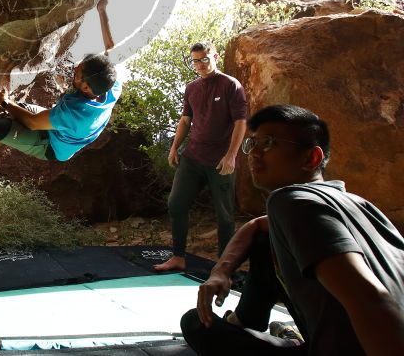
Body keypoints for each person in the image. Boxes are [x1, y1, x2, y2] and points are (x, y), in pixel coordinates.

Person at [181, 104, 404, 355]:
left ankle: (280, 337)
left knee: (196, 324)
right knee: (265, 242)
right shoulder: (361, 205)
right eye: (252, 144)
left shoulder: (291, 201)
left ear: (312, 158)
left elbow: (370, 298)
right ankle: (250, 322)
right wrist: (220, 272)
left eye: (268, 143)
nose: (254, 153)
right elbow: (256, 226)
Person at [154, 42, 247, 271]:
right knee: (176, 204)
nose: (201, 64)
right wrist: (174, 147)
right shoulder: (192, 88)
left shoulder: (231, 86)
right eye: (196, 60)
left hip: (220, 160)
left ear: (214, 57)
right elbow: (186, 120)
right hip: (193, 156)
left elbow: (240, 123)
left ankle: (224, 266)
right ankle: (178, 257)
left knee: (224, 216)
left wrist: (231, 155)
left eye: (205, 59)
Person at [0, 53, 120, 166]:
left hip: (51, 146)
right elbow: (108, 50)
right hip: (60, 128)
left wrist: (4, 101)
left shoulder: (76, 114)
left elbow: (32, 123)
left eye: (77, 74)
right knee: (17, 112)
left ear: (87, 88)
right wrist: (102, 11)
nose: (73, 69)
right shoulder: (110, 84)